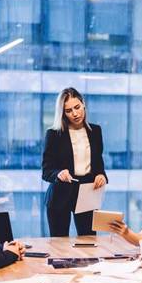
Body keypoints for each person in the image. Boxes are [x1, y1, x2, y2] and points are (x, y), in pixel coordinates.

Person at [42, 87, 107, 237]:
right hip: (60, 194)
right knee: (59, 244)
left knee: (89, 242)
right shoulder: (53, 134)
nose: (75, 113)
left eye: (77, 107)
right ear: (63, 113)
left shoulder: (95, 131)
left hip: (87, 192)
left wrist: (101, 175)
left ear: (83, 104)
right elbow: (46, 170)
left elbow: (98, 163)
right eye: (68, 110)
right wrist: (58, 173)